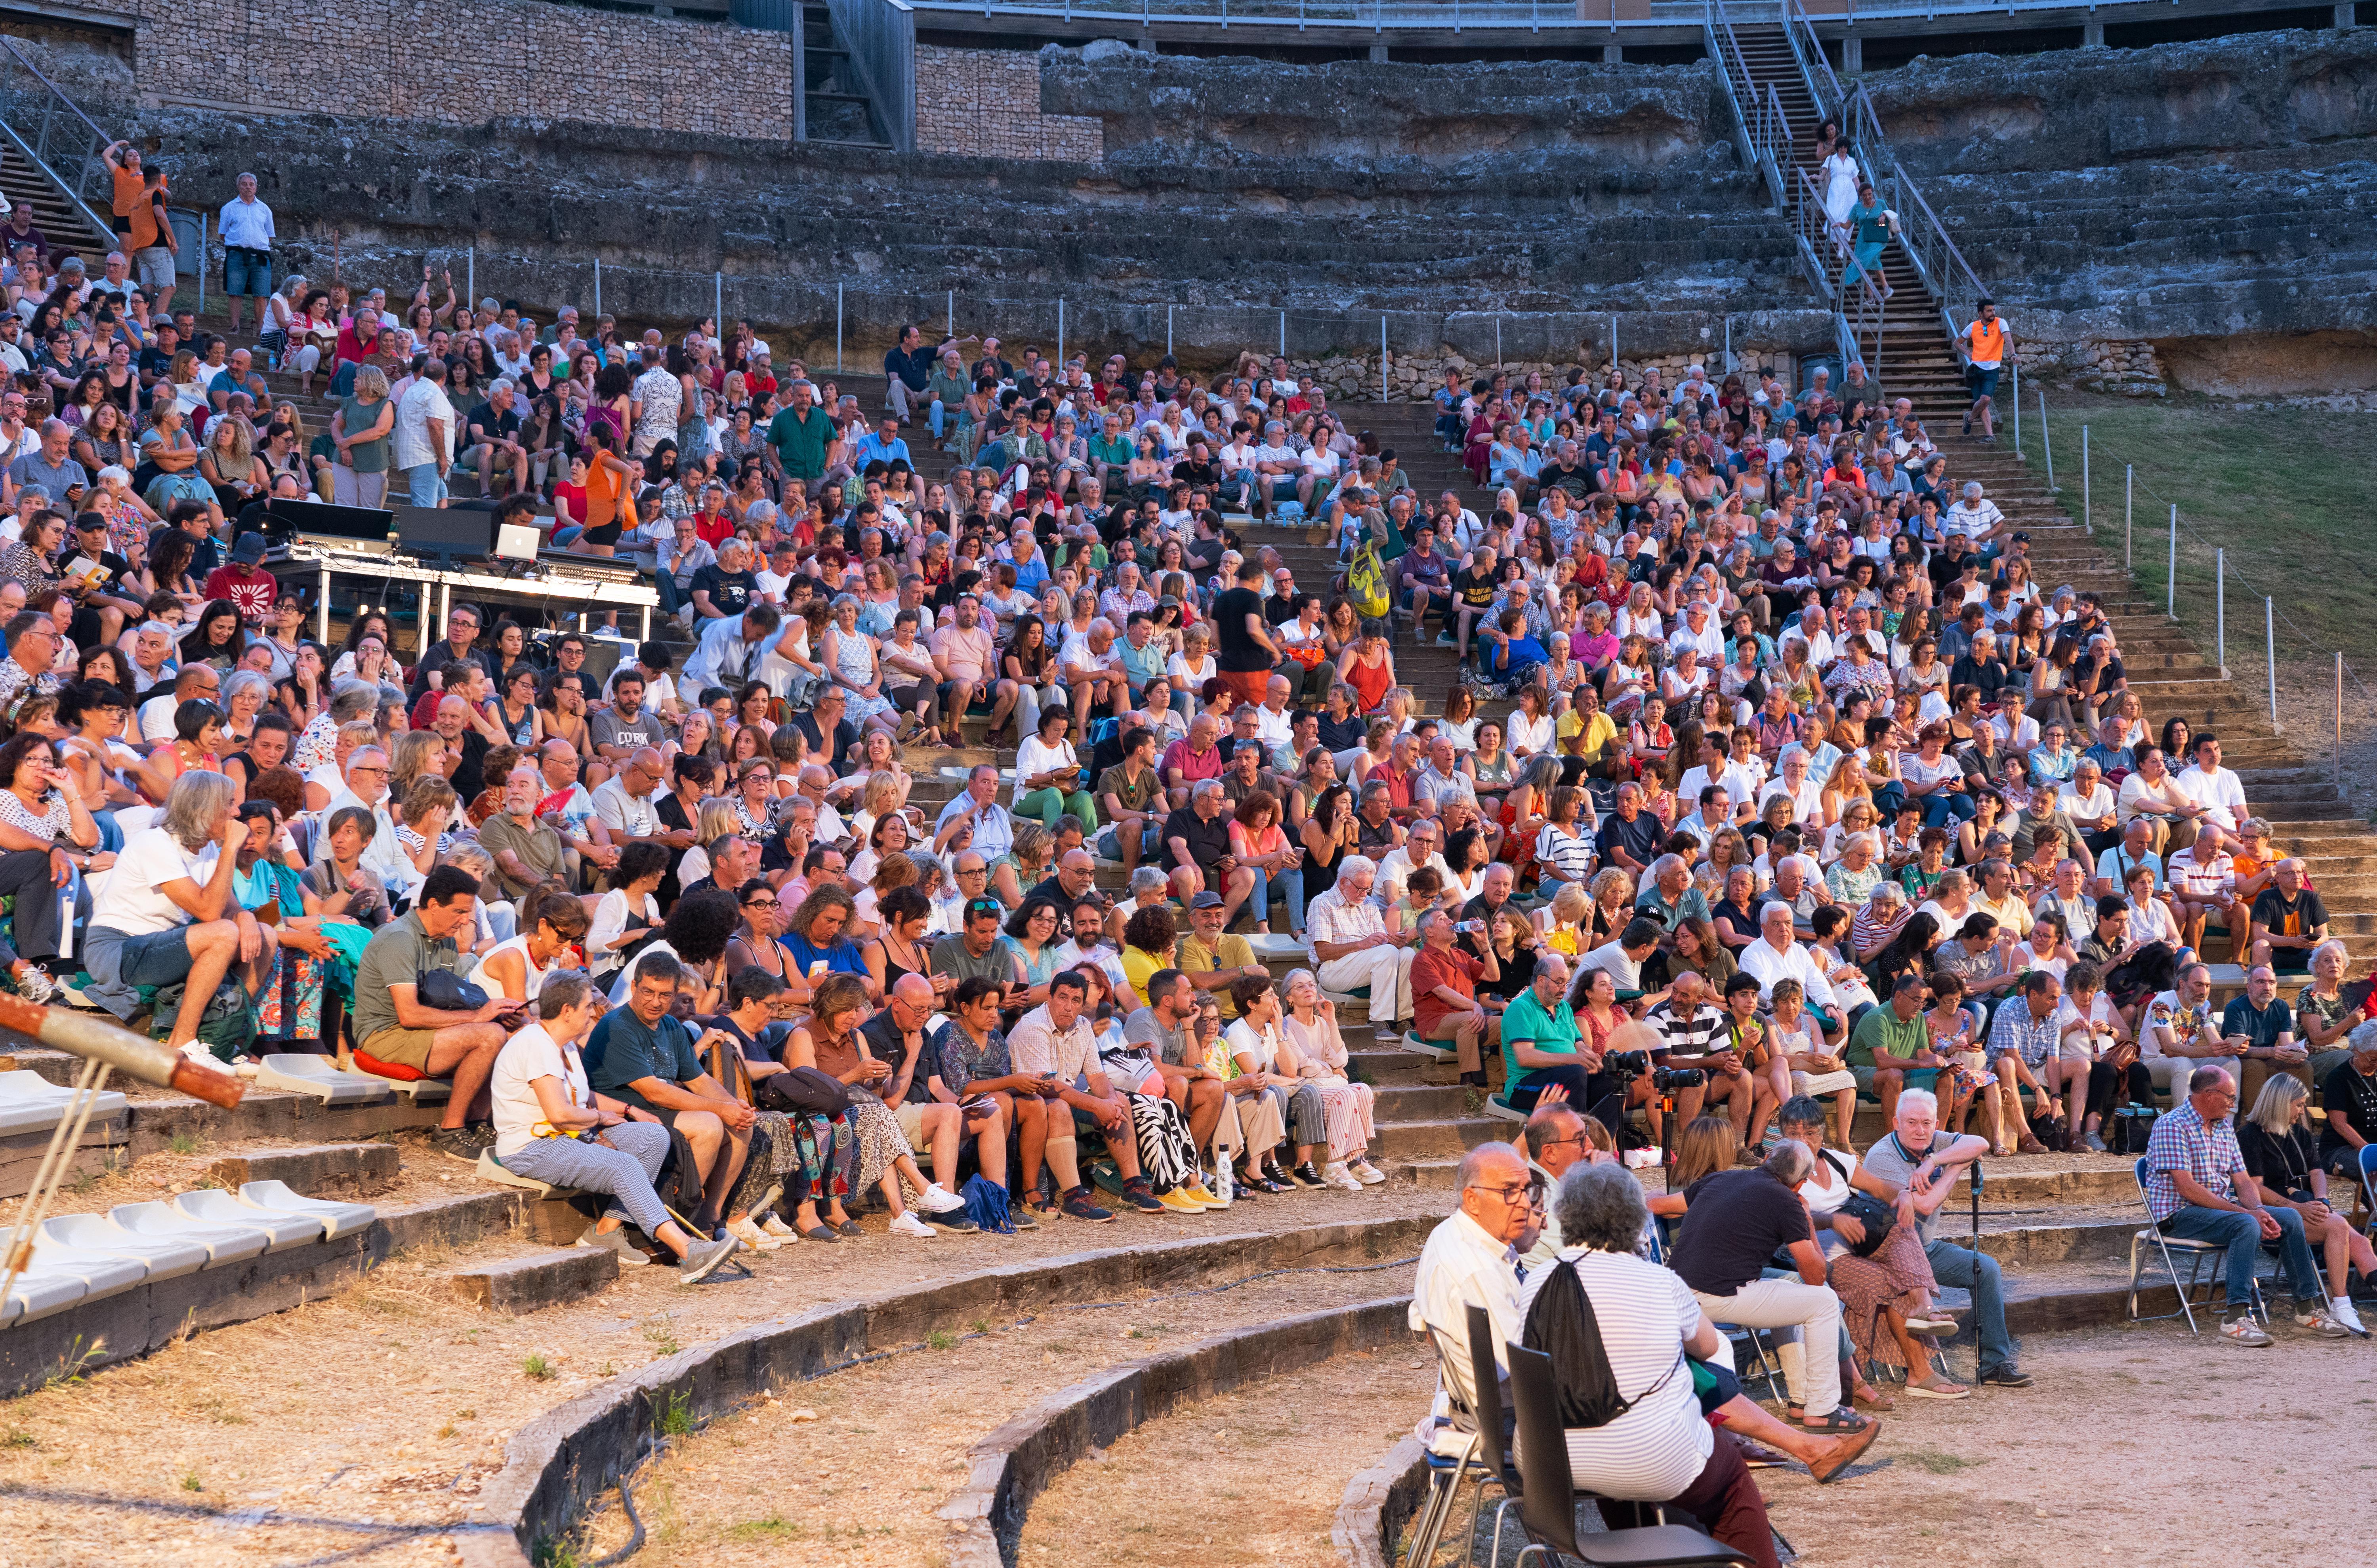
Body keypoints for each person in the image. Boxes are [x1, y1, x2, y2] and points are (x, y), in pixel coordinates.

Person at [1522, 1161, 1874, 1568]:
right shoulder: (1658, 1281)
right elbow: (1708, 1345)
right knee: (1732, 1482)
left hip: (1554, 1461)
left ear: (1566, 1214)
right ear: (1633, 1219)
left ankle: (1649, 1551)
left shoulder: (1537, 1279)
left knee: (1621, 1462)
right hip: (1652, 1457)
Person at [486, 968, 742, 1282]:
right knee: (624, 1166)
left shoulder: (563, 1044)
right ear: (567, 1011)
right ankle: (688, 1250)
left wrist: (628, 1108)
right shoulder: (536, 1045)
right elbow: (560, 1113)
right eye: (586, 1007)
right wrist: (598, 1118)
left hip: (569, 1136)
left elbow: (583, 1094)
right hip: (533, 1146)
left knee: (653, 1136)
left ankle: (606, 1230)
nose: (591, 1012)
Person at [2143, 1064, 2346, 1344]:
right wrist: (2248, 1212)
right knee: (2245, 1222)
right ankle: (2235, 1318)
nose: (2233, 1103)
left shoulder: (2224, 1127)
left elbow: (2243, 1181)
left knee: (2288, 1217)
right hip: (2180, 1214)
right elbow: (2188, 1189)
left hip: (2219, 1209)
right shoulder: (2172, 1125)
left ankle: (2307, 1310)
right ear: (2209, 1094)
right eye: (2229, 1097)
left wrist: (2259, 1210)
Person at [1669, 1139, 1862, 1435]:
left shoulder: (1723, 1178)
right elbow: (1816, 1277)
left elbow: (1658, 1203)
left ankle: (1802, 1399)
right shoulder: (1787, 1200)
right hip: (1717, 1297)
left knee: (1791, 1293)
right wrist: (1808, 1222)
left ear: (1767, 1158)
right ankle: (1823, 1409)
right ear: (1800, 1184)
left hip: (1678, 1293)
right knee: (1823, 1300)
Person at [80, 772, 272, 1057]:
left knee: (265, 935)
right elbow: (208, 911)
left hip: (158, 946)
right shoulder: (155, 844)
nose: (236, 812)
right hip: (118, 949)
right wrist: (231, 848)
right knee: (224, 932)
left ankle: (221, 1041)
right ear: (204, 809)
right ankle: (182, 1042)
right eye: (229, 804)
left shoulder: (205, 847)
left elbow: (230, 908)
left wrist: (246, 917)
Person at [1858, 1090, 2032, 1387]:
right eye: (1911, 1122)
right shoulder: (1882, 1157)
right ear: (1895, 1122)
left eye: (1927, 1123)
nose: (1920, 1130)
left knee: (1986, 1269)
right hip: (1887, 1252)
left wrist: (1934, 1160)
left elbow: (1981, 1143)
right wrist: (1956, 1167)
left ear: (1936, 1123)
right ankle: (1916, 1365)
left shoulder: (1933, 1143)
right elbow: (1922, 1205)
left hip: (1923, 1247)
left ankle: (1994, 1364)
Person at [349, 863, 516, 1159]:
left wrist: (495, 1012)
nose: (466, 921)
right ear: (434, 905)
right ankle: (451, 1129)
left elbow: (447, 1000)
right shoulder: (399, 938)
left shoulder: (446, 940)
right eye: (460, 912)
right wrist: (478, 1018)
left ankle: (478, 1122)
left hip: (420, 1029)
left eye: (469, 914)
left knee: (511, 1031)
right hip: (384, 1034)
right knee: (489, 1036)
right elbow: (410, 1015)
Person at [2236, 1072, 2373, 1337]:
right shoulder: (2250, 1136)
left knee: (2361, 1241)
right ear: (2280, 1102)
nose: (2302, 1111)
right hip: (2276, 1214)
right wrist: (2299, 1207)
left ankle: (2356, 1300)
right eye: (2298, 1104)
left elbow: (2317, 1171)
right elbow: (2254, 1188)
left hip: (2306, 1206)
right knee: (2338, 1226)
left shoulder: (2300, 1132)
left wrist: (2322, 1199)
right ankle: (2341, 1304)